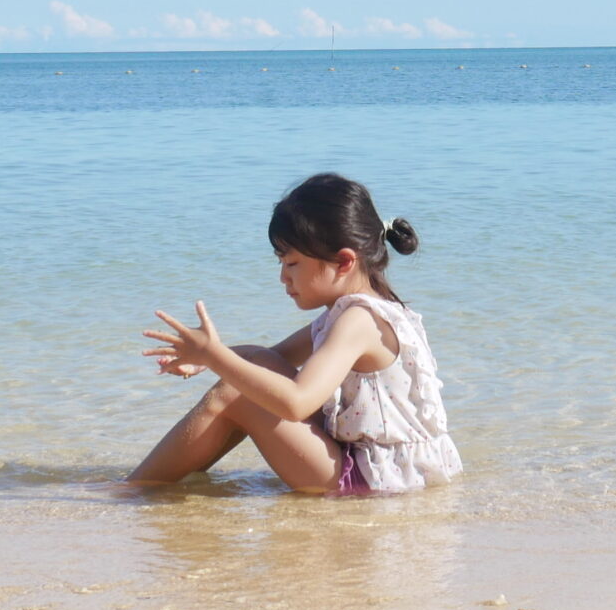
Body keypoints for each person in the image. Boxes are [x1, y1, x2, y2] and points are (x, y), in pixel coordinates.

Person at [129, 172, 462, 495]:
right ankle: (163, 482)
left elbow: (297, 403)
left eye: (291, 264)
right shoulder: (359, 310)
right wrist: (207, 358)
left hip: (376, 481)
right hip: (378, 465)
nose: (283, 278)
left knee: (235, 394)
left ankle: (135, 489)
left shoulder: (358, 321)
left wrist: (214, 355)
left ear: (344, 262)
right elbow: (269, 357)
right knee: (254, 364)